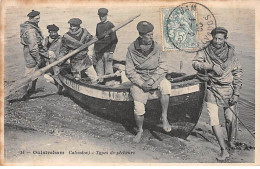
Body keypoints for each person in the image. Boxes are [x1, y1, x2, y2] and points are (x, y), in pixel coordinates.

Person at [192, 27, 243, 160]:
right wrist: (210, 66)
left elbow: (238, 73)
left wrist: (236, 93)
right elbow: (195, 63)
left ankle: (230, 141)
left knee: (229, 119)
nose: (217, 41)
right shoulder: (205, 49)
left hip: (228, 88)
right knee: (214, 119)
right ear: (212, 37)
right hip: (211, 88)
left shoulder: (232, 53)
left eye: (220, 39)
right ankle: (223, 149)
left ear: (225, 39)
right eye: (215, 38)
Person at [125, 21, 172, 143]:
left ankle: (164, 116)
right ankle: (140, 130)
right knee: (139, 108)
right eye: (149, 35)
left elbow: (163, 66)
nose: (152, 37)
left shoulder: (157, 47)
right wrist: (141, 83)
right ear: (141, 35)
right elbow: (129, 71)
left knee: (166, 86)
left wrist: (152, 80)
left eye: (152, 34)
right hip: (140, 79)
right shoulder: (131, 49)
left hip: (155, 77)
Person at [59, 18, 98, 82]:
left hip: (85, 59)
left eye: (74, 26)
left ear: (78, 26)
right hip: (75, 60)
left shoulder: (85, 32)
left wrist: (95, 39)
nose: (71, 28)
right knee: (77, 80)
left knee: (94, 77)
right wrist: (60, 59)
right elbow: (64, 49)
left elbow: (91, 39)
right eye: (71, 25)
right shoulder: (66, 36)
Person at [20, 10, 45, 99]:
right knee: (29, 72)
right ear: (31, 18)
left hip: (31, 51)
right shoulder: (31, 30)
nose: (39, 20)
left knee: (36, 70)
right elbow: (33, 48)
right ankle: (23, 93)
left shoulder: (30, 25)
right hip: (31, 53)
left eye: (39, 18)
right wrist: (38, 59)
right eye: (37, 18)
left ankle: (32, 88)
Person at [94, 8, 118, 85]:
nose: (101, 17)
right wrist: (95, 51)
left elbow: (114, 40)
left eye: (103, 16)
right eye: (100, 16)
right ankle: (100, 85)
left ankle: (110, 85)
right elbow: (97, 38)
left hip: (107, 52)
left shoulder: (110, 25)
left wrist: (111, 52)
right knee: (99, 70)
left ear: (106, 15)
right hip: (99, 52)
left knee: (108, 70)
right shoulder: (98, 25)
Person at [43, 24, 63, 94]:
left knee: (57, 75)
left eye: (55, 32)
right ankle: (58, 86)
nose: (53, 34)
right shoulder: (47, 39)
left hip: (58, 62)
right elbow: (44, 48)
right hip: (50, 62)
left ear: (57, 32)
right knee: (46, 76)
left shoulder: (61, 39)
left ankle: (60, 88)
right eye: (51, 32)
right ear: (49, 32)